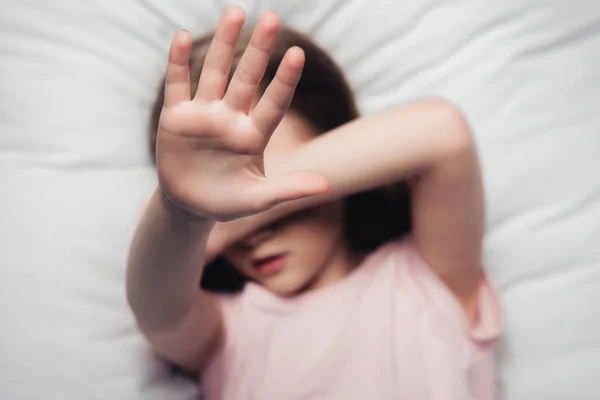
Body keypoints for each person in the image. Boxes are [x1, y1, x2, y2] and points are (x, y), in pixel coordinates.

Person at [127, 6, 502, 400]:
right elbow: (158, 307)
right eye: (227, 202)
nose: (256, 231)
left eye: (275, 192)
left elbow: (442, 134)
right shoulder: (230, 333)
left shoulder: (425, 285)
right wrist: (184, 213)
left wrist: (232, 217)